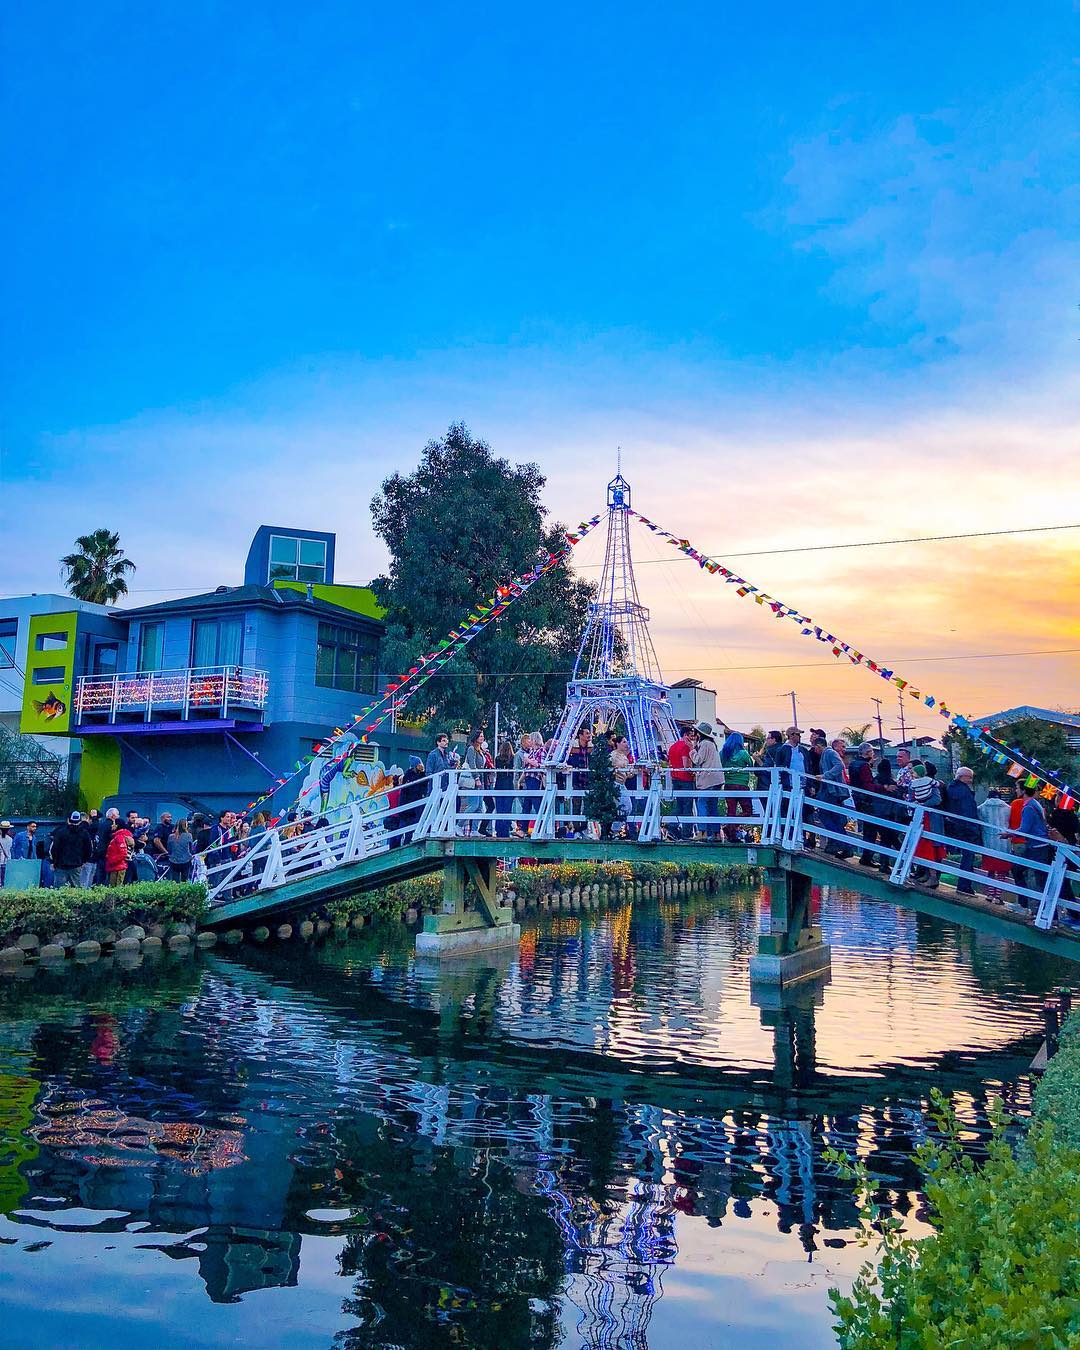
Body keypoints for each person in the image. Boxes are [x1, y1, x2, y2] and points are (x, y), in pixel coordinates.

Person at [942, 766, 981, 895]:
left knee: (967, 856)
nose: (971, 780)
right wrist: (974, 828)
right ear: (962, 777)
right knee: (968, 856)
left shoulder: (950, 788)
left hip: (955, 826)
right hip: (966, 828)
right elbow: (968, 811)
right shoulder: (964, 792)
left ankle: (965, 884)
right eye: (969, 777)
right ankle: (964, 885)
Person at [1010, 784, 1050, 905]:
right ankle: (1027, 904)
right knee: (1037, 877)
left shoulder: (1028, 807)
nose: (1015, 790)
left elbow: (1024, 829)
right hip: (1038, 845)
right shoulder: (1035, 804)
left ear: (1023, 791)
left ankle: (1028, 905)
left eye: (1017, 788)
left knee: (1039, 878)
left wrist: (1009, 833)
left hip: (1036, 846)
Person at [815, 736, 853, 857]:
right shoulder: (826, 754)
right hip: (831, 791)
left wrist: (826, 776)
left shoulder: (829, 752)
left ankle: (839, 842)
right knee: (835, 819)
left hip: (832, 792)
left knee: (824, 814)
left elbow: (840, 765)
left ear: (818, 746)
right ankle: (845, 846)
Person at [690, 721, 723, 838]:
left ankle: (702, 832)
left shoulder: (704, 744)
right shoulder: (712, 744)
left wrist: (692, 750)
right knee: (713, 806)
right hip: (717, 778)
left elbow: (698, 760)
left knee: (702, 803)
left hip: (708, 779)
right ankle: (716, 833)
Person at [721, 731, 756, 842]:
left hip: (729, 784)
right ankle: (731, 827)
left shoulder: (723, 753)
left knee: (731, 810)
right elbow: (751, 765)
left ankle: (731, 833)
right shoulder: (743, 753)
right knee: (747, 810)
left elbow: (720, 765)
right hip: (742, 784)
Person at [978, 789, 1013, 899]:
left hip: (988, 842)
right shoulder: (1008, 808)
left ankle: (990, 894)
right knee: (1002, 871)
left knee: (990, 870)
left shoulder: (981, 808)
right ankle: (998, 896)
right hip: (1003, 843)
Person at [849, 745, 879, 865]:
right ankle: (867, 857)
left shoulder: (853, 764)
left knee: (867, 828)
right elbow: (867, 784)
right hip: (866, 800)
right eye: (872, 751)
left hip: (857, 798)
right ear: (867, 752)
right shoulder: (864, 766)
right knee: (871, 830)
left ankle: (866, 856)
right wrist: (882, 788)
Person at [49, 810, 93, 886]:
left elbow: (54, 849)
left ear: (69, 820)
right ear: (80, 821)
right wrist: (84, 861)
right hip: (76, 865)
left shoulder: (60, 832)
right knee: (76, 890)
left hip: (61, 865)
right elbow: (89, 849)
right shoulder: (84, 833)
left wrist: (54, 862)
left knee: (59, 890)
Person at [668, 723, 695, 839]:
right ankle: (686, 833)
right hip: (685, 779)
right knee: (687, 806)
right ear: (685, 735)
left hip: (675, 778)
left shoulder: (672, 747)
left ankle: (672, 826)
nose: (692, 738)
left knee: (679, 804)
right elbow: (685, 764)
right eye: (691, 735)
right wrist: (693, 771)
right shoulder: (685, 747)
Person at [459, 730, 488, 836]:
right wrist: (476, 778)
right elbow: (472, 764)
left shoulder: (480, 750)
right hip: (473, 781)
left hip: (480, 782)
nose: (482, 737)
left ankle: (474, 830)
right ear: (475, 737)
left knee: (480, 808)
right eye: (480, 736)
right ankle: (459, 825)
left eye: (483, 736)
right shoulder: (471, 749)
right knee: (473, 805)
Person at [398, 756, 428, 843]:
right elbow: (412, 789)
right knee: (403, 827)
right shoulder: (408, 775)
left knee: (411, 828)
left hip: (414, 807)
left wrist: (422, 773)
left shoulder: (420, 775)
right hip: (407, 806)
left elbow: (424, 785)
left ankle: (407, 842)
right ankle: (398, 845)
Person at [105, 819, 134, 886]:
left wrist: (112, 861)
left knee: (115, 888)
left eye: (114, 824)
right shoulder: (120, 835)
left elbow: (123, 853)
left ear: (117, 825)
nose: (112, 825)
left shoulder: (119, 837)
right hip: (118, 866)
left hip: (117, 867)